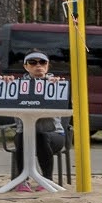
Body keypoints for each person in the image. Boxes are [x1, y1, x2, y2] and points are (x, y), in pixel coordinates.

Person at [10, 51, 70, 185]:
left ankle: (46, 180)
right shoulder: (17, 85)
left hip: (54, 135)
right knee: (24, 136)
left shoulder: (56, 84)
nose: (38, 65)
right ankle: (22, 181)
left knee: (41, 136)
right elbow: (5, 103)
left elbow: (69, 107)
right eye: (32, 62)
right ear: (25, 66)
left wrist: (58, 86)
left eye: (42, 62)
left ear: (47, 65)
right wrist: (6, 83)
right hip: (25, 133)